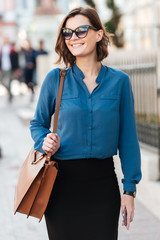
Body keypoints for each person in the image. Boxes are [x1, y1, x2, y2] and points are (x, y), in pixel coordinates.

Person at [30, 6, 142, 240]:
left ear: (99, 34)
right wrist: (44, 141)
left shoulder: (119, 82)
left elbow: (128, 139)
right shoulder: (55, 79)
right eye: (67, 33)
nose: (73, 38)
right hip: (61, 187)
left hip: (103, 186)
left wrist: (129, 190)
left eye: (81, 31)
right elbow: (38, 124)